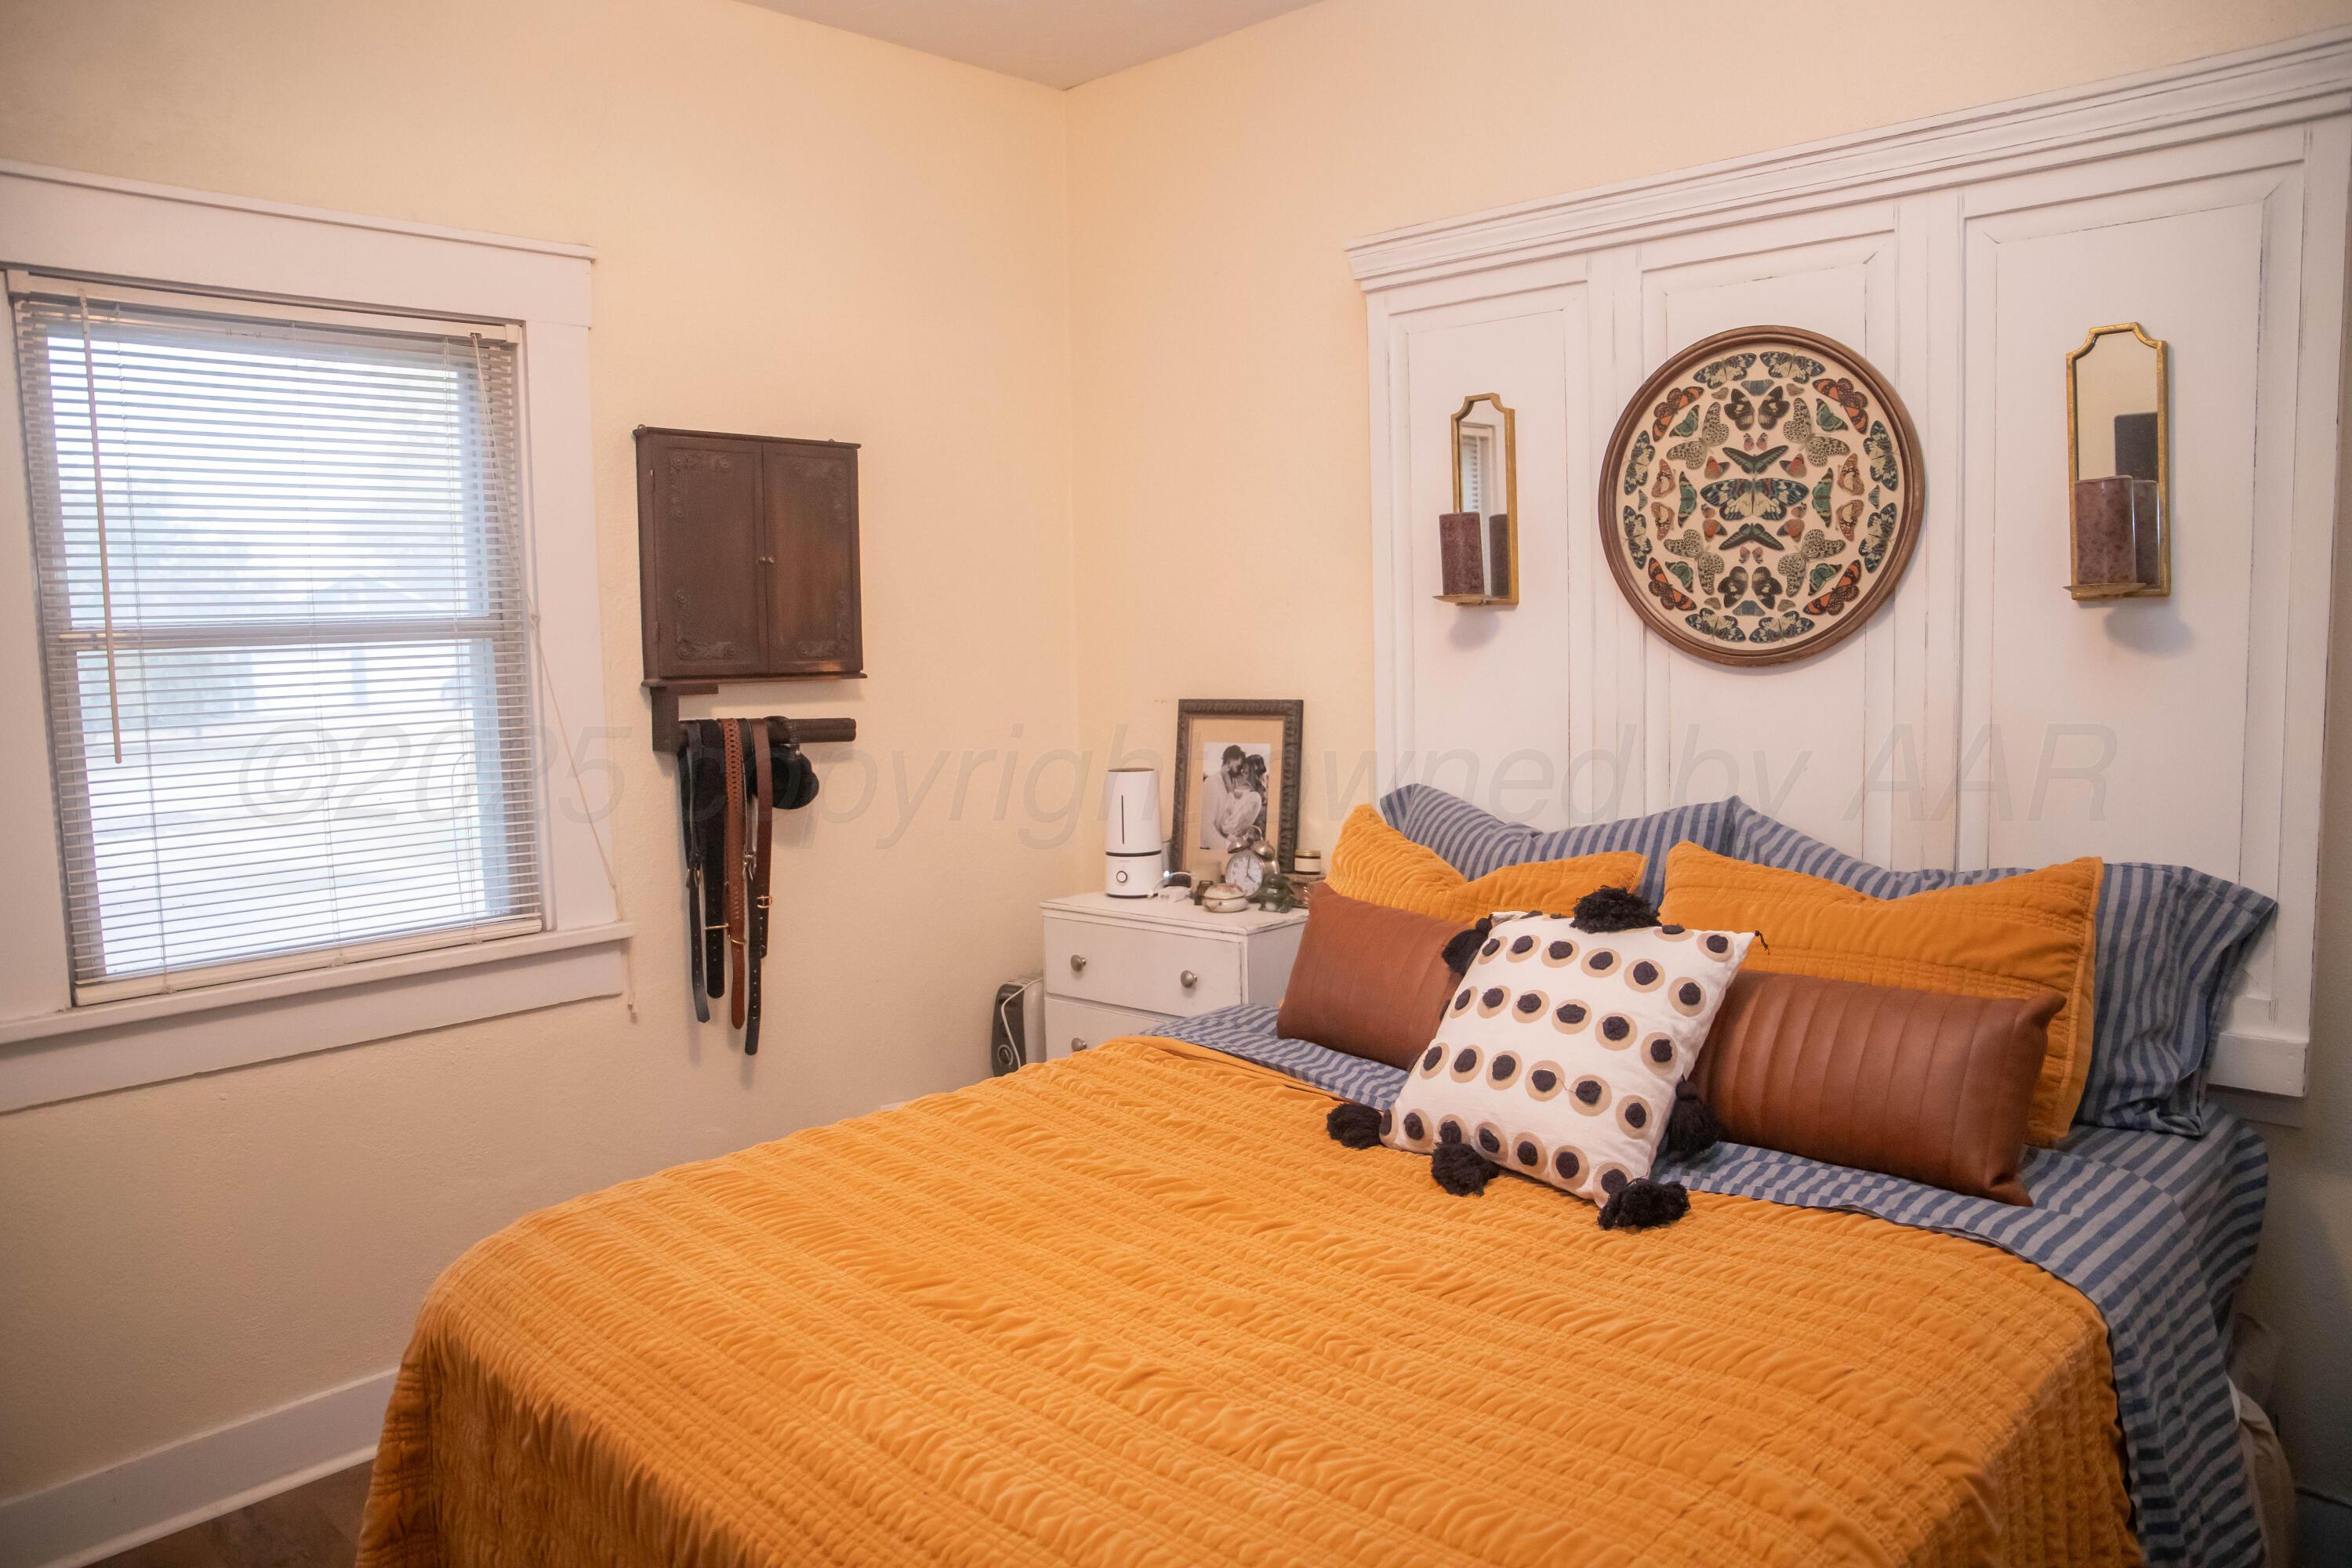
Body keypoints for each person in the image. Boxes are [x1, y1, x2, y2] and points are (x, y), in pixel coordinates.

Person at [1205, 744, 1267, 851]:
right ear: (1230, 761)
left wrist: (1230, 793)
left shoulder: (1254, 798)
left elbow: (1227, 827)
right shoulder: (1246, 793)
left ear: (1253, 776)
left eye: (1245, 772)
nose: (1241, 774)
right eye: (1241, 769)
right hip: (1226, 844)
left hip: (1234, 847)